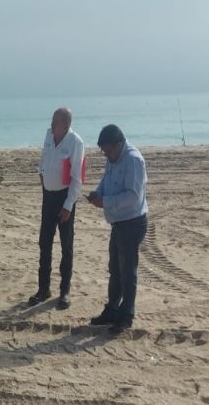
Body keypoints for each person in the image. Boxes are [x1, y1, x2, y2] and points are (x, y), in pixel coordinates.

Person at [86, 124, 148, 334]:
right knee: (115, 268)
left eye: (108, 151)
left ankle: (126, 316)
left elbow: (133, 196)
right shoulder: (113, 157)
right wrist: (98, 193)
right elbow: (106, 180)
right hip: (118, 222)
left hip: (132, 222)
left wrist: (106, 201)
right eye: (103, 152)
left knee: (127, 271)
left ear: (119, 144)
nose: (106, 155)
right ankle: (112, 309)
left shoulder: (133, 160)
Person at [28, 107, 85, 309]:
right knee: (44, 243)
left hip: (64, 197)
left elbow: (77, 179)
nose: (51, 125)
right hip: (48, 196)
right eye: (52, 121)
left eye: (55, 122)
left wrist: (68, 206)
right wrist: (41, 175)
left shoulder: (75, 143)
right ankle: (43, 289)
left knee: (66, 245)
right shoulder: (49, 134)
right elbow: (44, 158)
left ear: (66, 125)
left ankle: (65, 291)